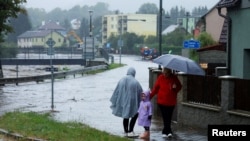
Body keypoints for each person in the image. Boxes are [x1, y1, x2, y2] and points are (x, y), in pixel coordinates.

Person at [110, 67, 143, 137]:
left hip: (123, 101)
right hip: (133, 102)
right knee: (135, 115)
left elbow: (116, 91)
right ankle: (131, 130)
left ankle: (126, 131)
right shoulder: (135, 82)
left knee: (125, 115)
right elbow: (141, 92)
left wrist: (116, 100)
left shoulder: (121, 80)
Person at [150, 67, 182, 138]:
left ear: (169, 72)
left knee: (169, 117)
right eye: (164, 73)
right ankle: (167, 131)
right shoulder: (160, 78)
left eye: (166, 73)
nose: (165, 74)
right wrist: (149, 97)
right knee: (165, 117)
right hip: (162, 102)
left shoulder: (174, 78)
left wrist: (175, 88)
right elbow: (155, 89)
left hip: (171, 102)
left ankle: (166, 131)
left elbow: (180, 86)